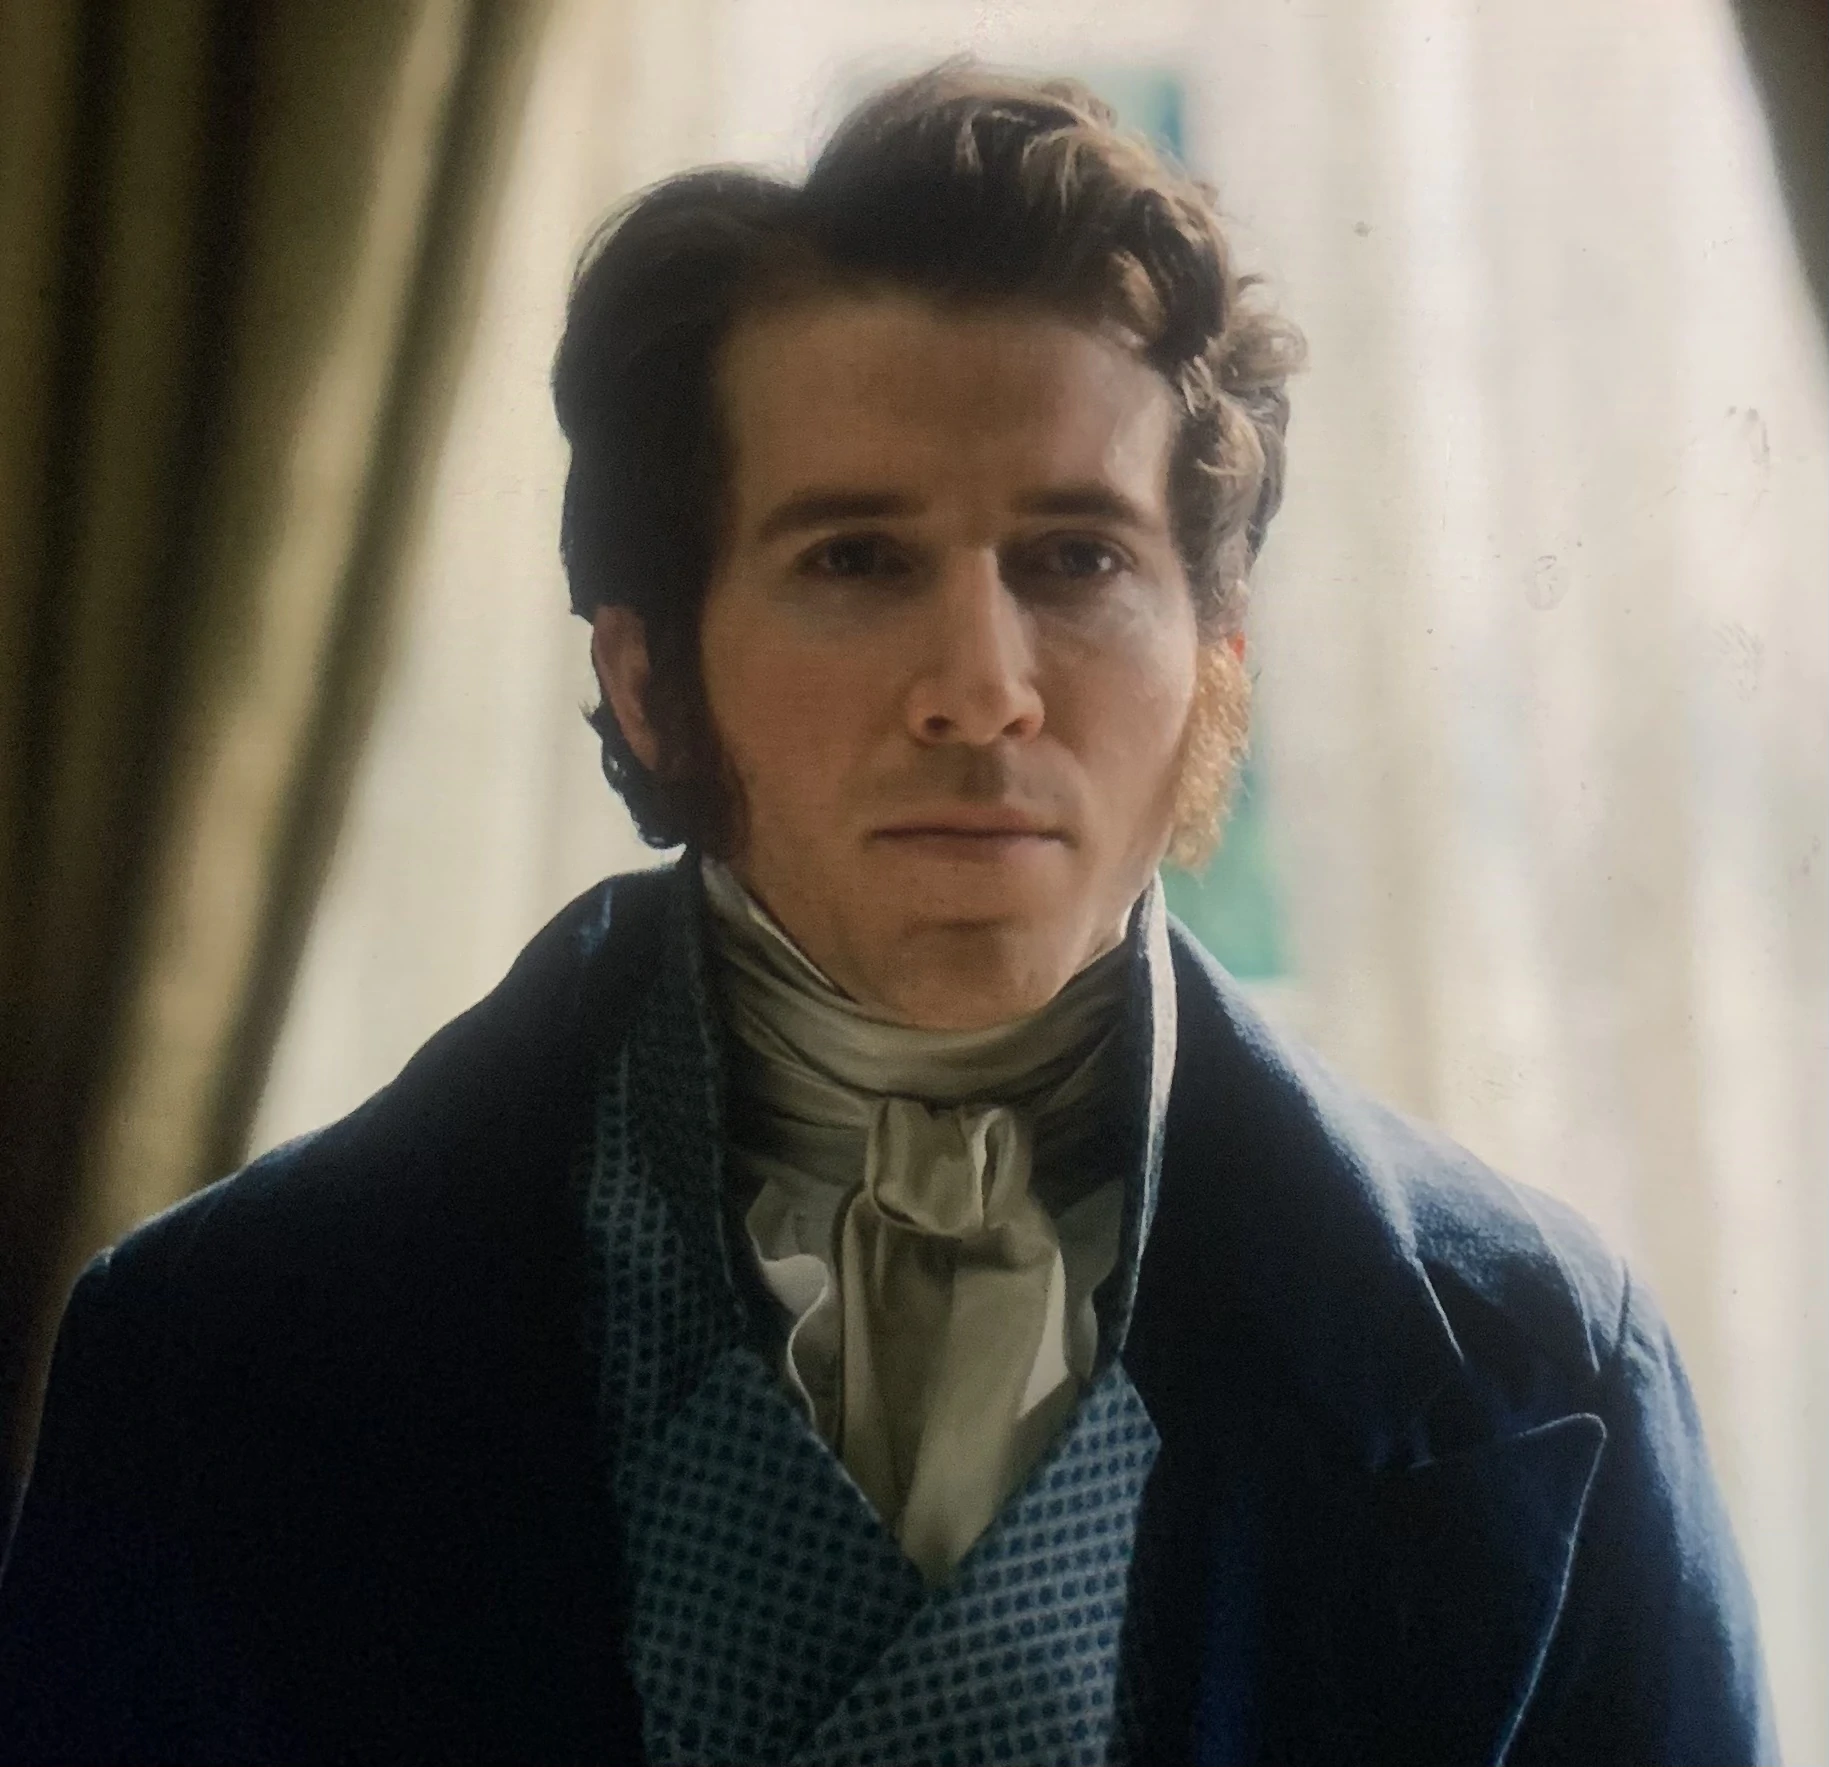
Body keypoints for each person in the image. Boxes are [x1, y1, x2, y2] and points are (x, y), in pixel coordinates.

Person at [0, 64, 1775, 1767]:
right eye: (856, 559)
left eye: (1076, 558)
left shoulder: (1551, 1377)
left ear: (1219, 665)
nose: (981, 687)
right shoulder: (221, 1356)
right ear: (648, 678)